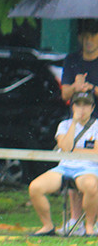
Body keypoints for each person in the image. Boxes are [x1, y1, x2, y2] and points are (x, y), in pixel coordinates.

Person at [28, 90, 98, 236]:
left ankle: (89, 226)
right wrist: (74, 123)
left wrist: (73, 150)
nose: (82, 109)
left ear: (92, 108)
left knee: (91, 186)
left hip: (89, 168)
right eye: (78, 105)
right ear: (73, 107)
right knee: (35, 187)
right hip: (65, 167)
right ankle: (48, 226)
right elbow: (65, 147)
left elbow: (96, 152)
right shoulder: (64, 125)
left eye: (86, 105)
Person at [56, 19, 98, 234]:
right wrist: (76, 87)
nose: (89, 40)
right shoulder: (72, 60)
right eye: (85, 36)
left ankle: (92, 220)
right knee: (73, 163)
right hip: (76, 119)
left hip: (96, 121)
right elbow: (65, 93)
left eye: (93, 36)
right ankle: (75, 219)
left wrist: (92, 89)